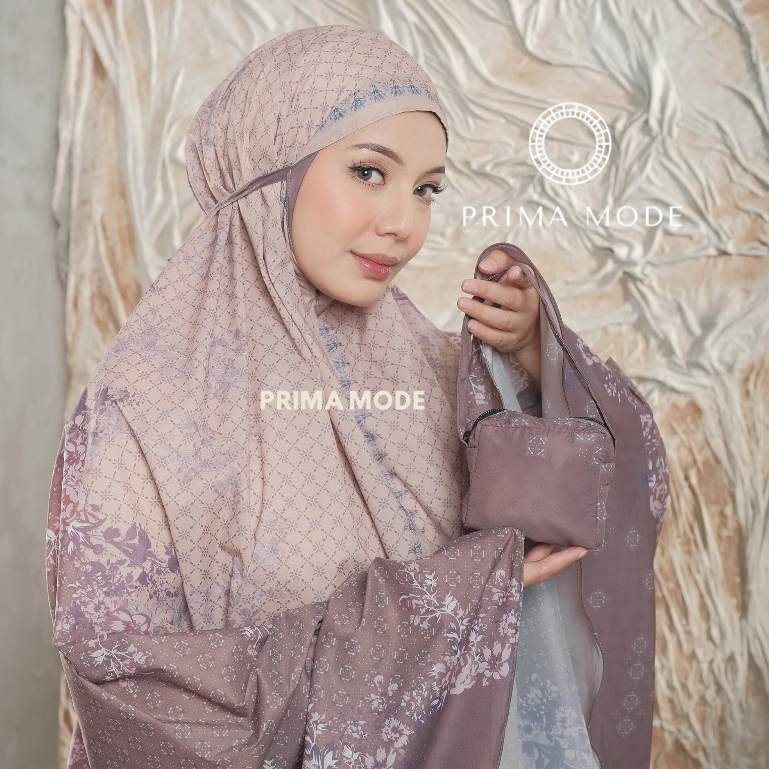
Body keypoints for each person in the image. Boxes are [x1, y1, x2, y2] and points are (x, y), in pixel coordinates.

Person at [46, 24, 667, 769]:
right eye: (370, 172)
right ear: (271, 168)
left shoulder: (446, 375)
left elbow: (605, 490)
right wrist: (435, 603)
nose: (403, 223)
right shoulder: (144, 412)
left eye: (426, 189)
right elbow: (126, 685)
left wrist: (536, 360)